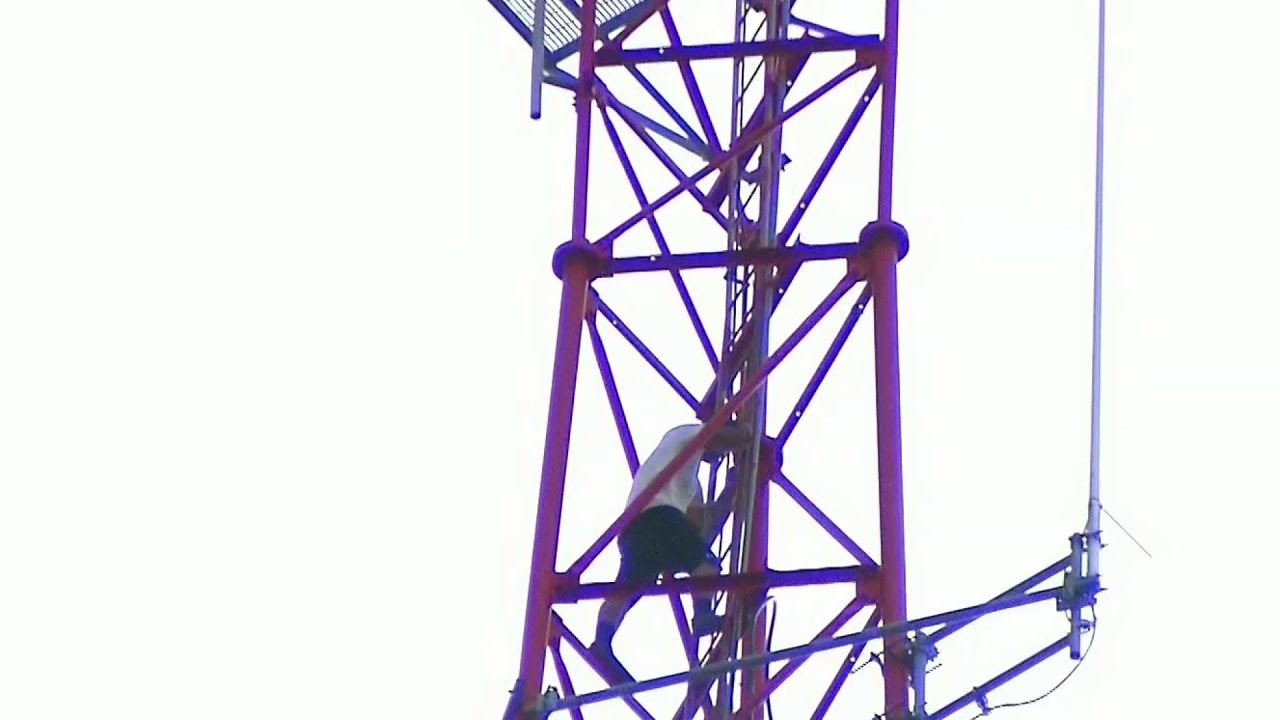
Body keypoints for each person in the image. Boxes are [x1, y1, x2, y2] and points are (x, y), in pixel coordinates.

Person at [589, 419, 753, 682]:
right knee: (706, 563)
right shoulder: (685, 433)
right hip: (660, 515)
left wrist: (731, 489)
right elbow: (721, 435)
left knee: (625, 590)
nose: (718, 456)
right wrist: (747, 435)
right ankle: (703, 616)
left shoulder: (688, 478)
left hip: (635, 527)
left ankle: (602, 643)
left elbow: (703, 527)